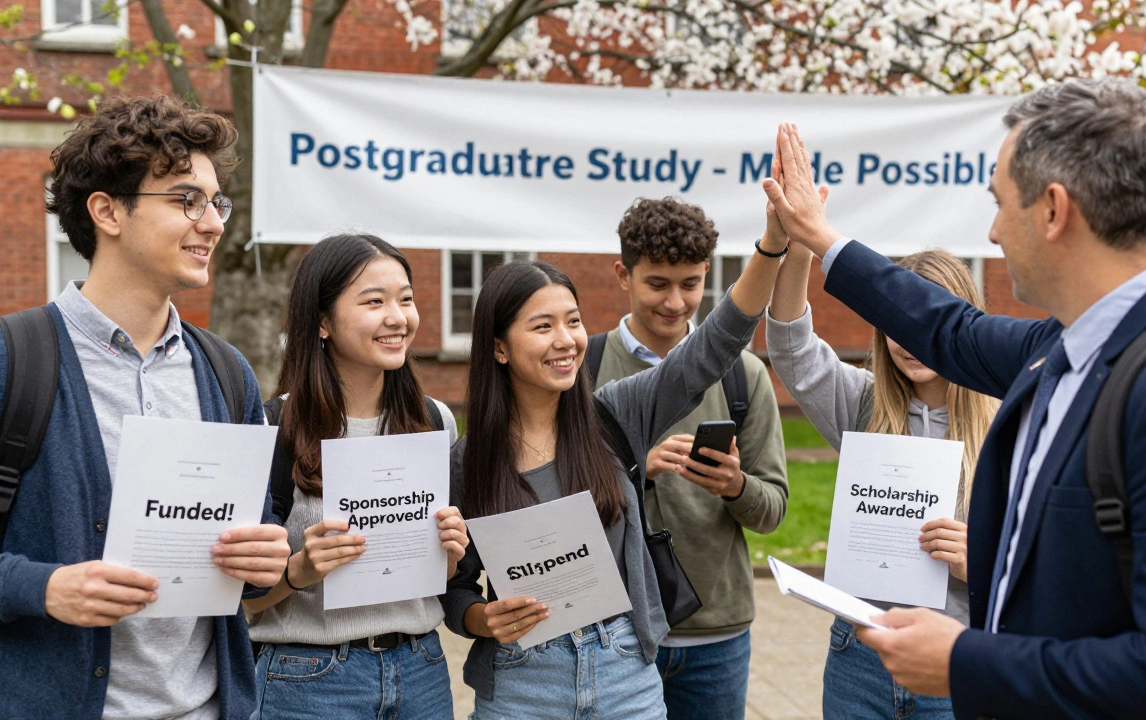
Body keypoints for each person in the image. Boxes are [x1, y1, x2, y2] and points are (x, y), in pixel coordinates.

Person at [763, 79, 1146, 719]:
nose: (995, 231)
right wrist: (817, 235)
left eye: (1000, 203)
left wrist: (964, 662)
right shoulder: (1065, 344)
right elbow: (949, 330)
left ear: (1054, 209)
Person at [0, 95, 291, 719]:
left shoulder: (225, 371)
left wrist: (267, 560)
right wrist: (43, 587)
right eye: (187, 200)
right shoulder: (13, 360)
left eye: (217, 203)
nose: (213, 222)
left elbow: (255, 568)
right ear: (106, 211)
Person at [441, 228, 786, 718]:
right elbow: (453, 588)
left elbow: (716, 342)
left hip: (624, 672)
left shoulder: (615, 414)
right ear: (499, 348)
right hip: (522, 685)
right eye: (543, 327)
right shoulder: (466, 461)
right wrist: (482, 619)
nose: (566, 341)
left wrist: (772, 245)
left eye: (574, 321)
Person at [244, 233, 468, 719]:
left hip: (422, 670)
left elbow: (440, 579)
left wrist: (450, 551)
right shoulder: (271, 430)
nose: (398, 317)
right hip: (307, 680)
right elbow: (240, 603)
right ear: (322, 322)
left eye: (406, 299)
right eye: (375, 301)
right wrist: (300, 570)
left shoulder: (435, 420)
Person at [767, 243, 995, 719]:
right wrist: (798, 244)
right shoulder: (864, 405)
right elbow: (790, 346)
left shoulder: (1006, 423)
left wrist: (984, 568)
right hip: (861, 658)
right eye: (897, 322)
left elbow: (1049, 562)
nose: (909, 339)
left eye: (925, 321)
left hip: (955, 657)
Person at [588, 197, 788, 720]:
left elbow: (773, 511)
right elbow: (553, 496)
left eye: (692, 284)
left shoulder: (745, 376)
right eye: (658, 283)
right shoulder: (580, 369)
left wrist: (735, 485)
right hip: (615, 631)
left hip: (716, 637)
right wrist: (634, 467)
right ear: (622, 275)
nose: (676, 302)